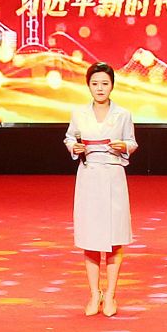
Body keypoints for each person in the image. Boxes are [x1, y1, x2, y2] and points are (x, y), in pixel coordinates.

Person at [64, 62, 136, 315]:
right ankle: (95, 294)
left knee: (115, 238)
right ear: (88, 86)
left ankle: (111, 295)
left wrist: (123, 147)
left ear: (112, 85)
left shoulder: (123, 114)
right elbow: (70, 137)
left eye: (105, 83)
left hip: (114, 176)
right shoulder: (79, 113)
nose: (100, 88)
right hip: (89, 176)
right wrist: (74, 147)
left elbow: (131, 142)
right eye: (95, 84)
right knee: (91, 238)